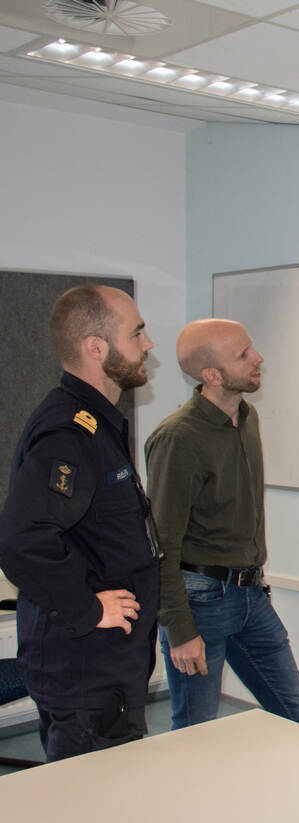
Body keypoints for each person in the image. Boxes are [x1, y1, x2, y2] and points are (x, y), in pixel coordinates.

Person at [0, 285, 159, 761]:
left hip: (104, 663)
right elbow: (21, 539)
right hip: (86, 665)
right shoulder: (69, 431)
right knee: (93, 795)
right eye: (136, 333)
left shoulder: (95, 422)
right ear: (96, 347)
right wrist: (87, 608)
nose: (148, 344)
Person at [144, 319, 299, 729]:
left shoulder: (247, 416)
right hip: (201, 601)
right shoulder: (178, 438)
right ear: (212, 375)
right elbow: (161, 544)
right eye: (243, 355)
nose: (258, 358)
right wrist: (179, 630)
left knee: (298, 713)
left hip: (250, 594)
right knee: (196, 729)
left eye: (251, 347)